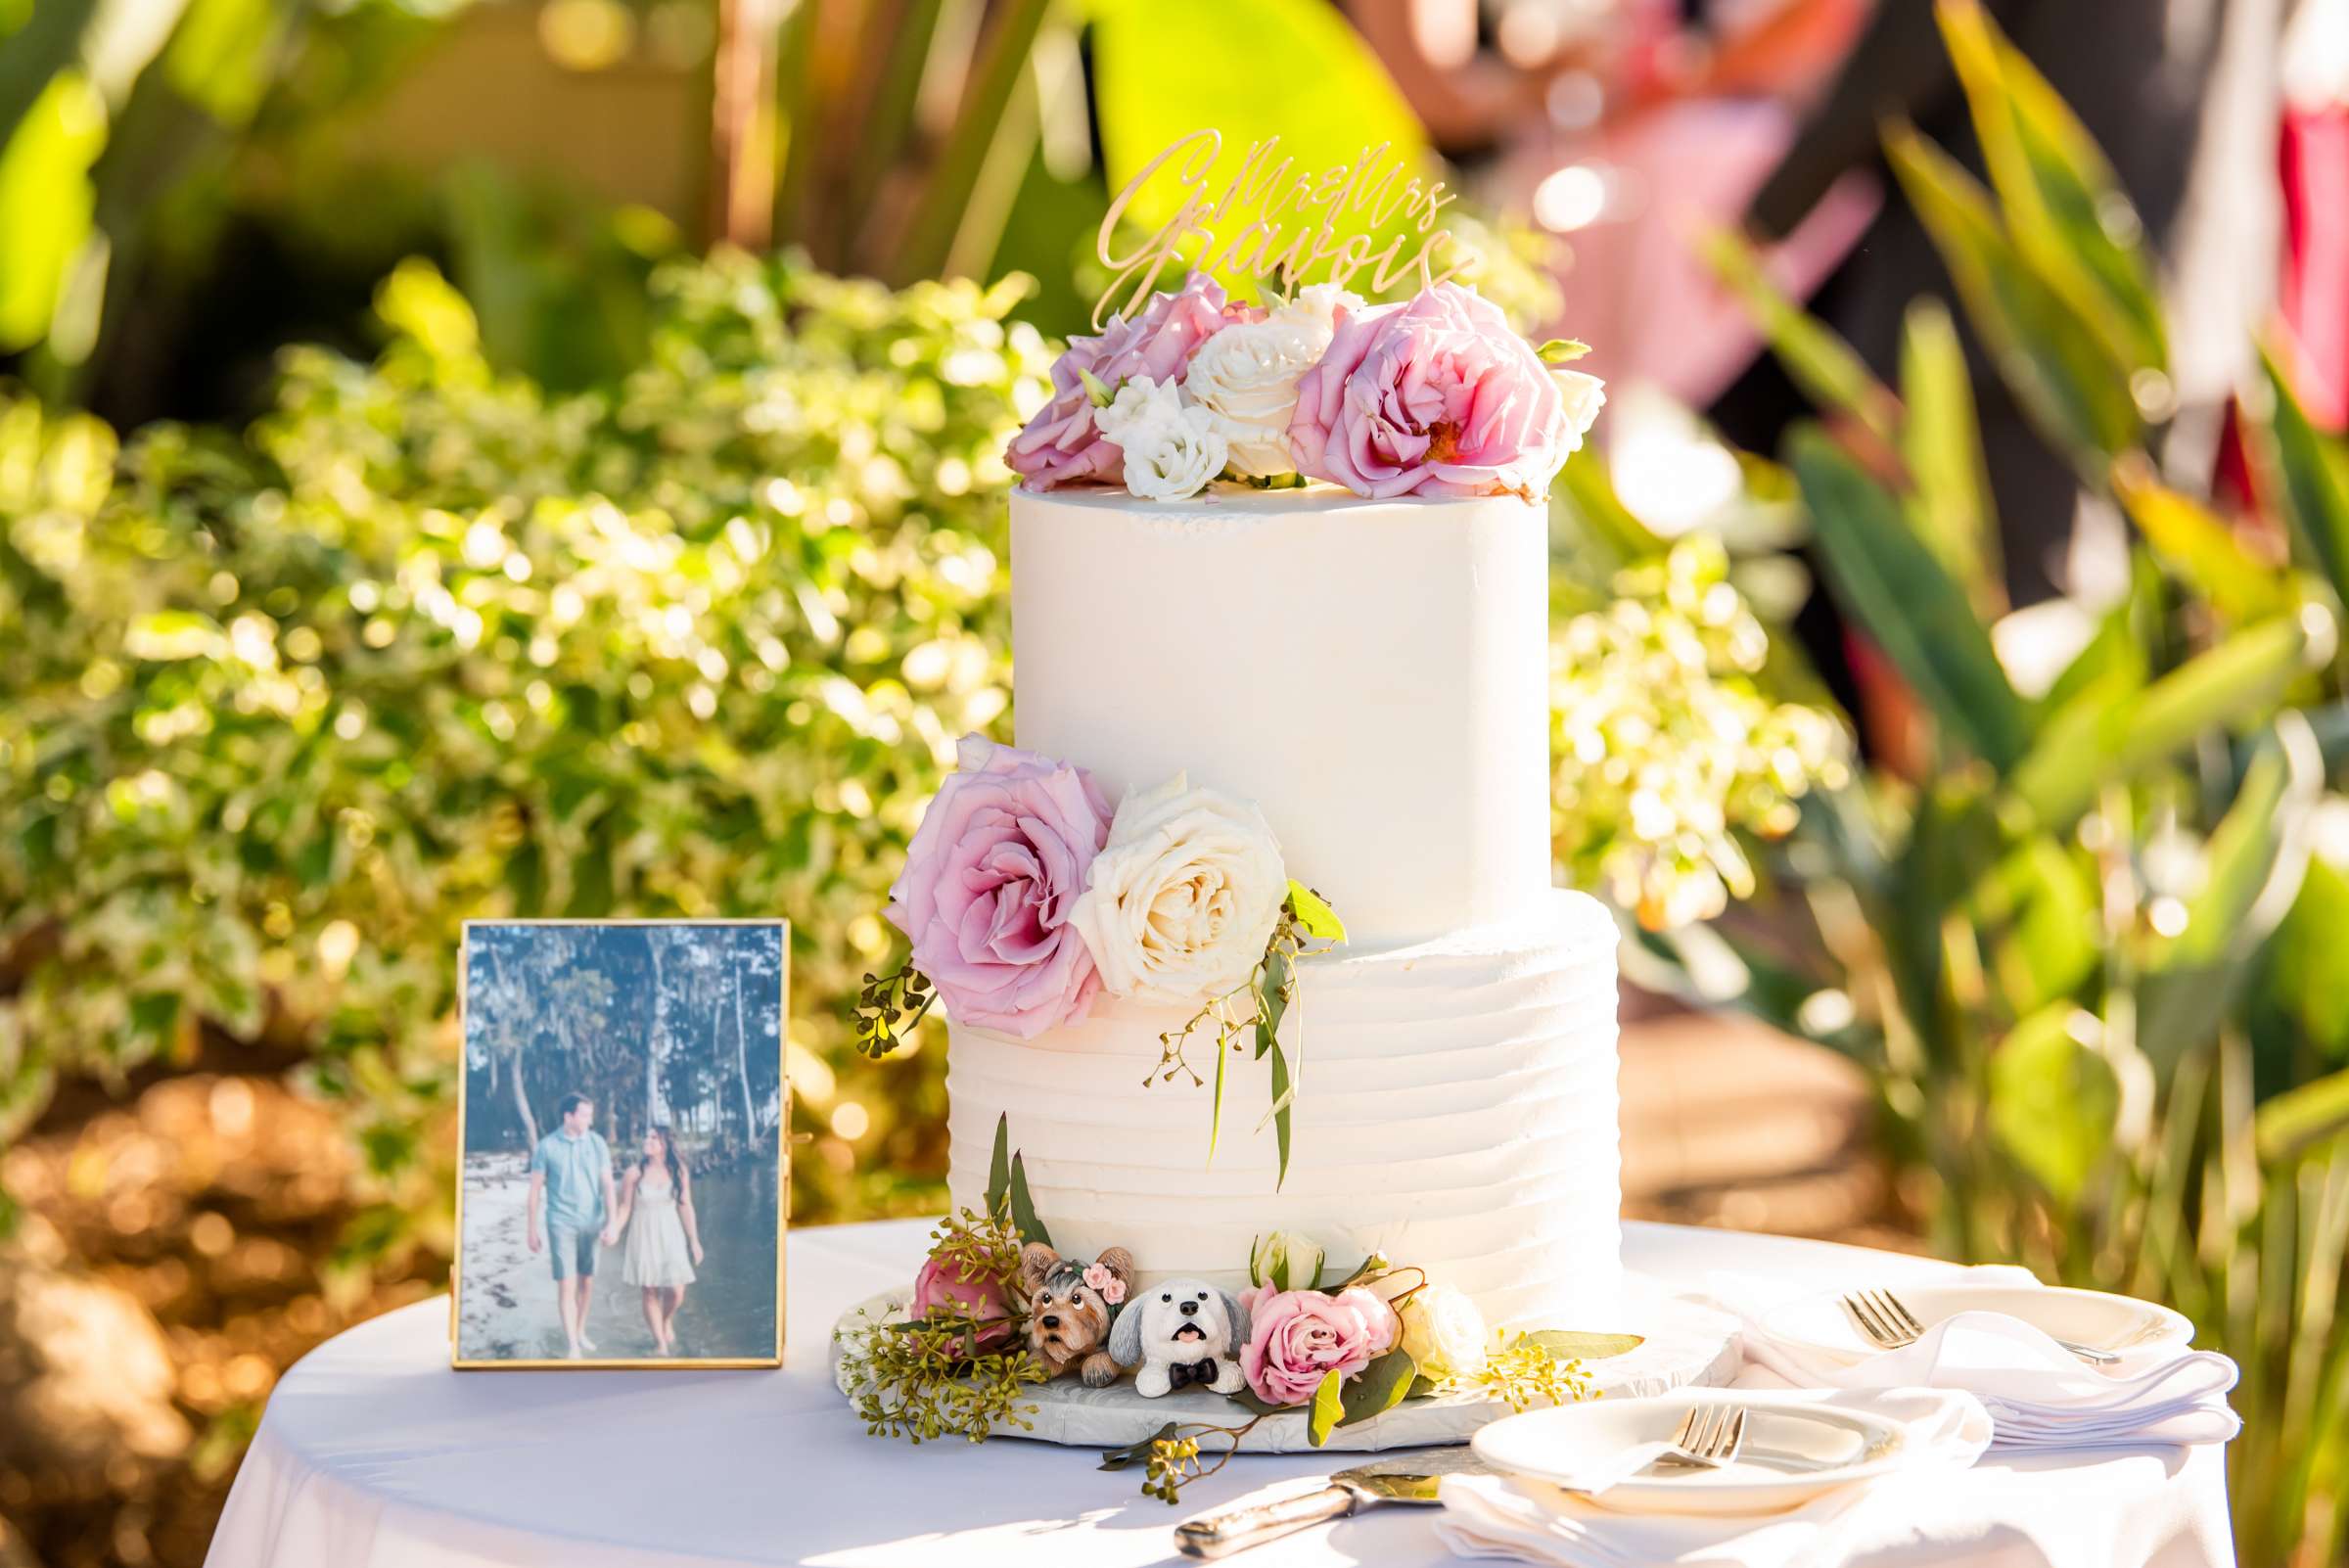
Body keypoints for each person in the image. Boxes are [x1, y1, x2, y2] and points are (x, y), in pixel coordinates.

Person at [525, 1092, 618, 1360]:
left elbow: (608, 1186)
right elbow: (534, 1191)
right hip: (560, 1223)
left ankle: (580, 1331)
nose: (590, 1119)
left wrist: (612, 1223)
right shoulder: (546, 1147)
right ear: (569, 1116)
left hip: (592, 1222)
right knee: (567, 1285)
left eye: (590, 1114)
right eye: (585, 1115)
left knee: (586, 1282)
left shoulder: (598, 1143)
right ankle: (573, 1345)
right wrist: (531, 1229)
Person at [609, 1126, 705, 1356]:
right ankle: (660, 1344)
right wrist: (615, 1229)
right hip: (643, 1233)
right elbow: (625, 1208)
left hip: (670, 1232)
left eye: (654, 1137)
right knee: (650, 1290)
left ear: (665, 1144)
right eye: (647, 1136)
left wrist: (694, 1240)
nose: (647, 1140)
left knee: (676, 1290)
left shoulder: (678, 1171)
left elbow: (685, 1205)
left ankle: (666, 1320)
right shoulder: (634, 1173)